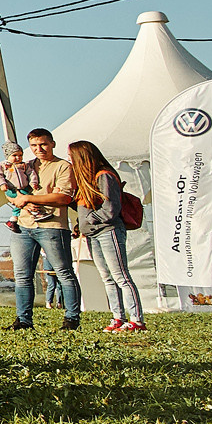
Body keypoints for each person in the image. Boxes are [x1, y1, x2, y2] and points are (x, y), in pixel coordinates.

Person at [5, 128, 81, 331]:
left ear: (53, 144)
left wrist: (30, 198)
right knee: (22, 275)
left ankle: (71, 319)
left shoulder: (63, 167)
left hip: (52, 226)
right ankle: (23, 320)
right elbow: (10, 192)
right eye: (34, 146)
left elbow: (64, 198)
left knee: (63, 272)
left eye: (43, 144)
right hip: (24, 225)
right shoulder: (24, 166)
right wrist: (23, 203)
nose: (39, 149)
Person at [68, 142, 144, 333]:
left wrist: (91, 219)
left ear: (81, 157)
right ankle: (118, 316)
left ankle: (137, 320)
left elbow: (111, 208)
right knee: (107, 277)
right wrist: (81, 225)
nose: (69, 160)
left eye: (71, 156)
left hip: (108, 231)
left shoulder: (104, 176)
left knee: (121, 276)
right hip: (93, 234)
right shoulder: (86, 181)